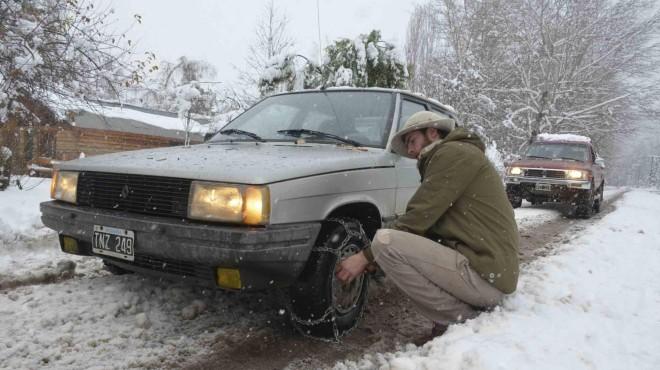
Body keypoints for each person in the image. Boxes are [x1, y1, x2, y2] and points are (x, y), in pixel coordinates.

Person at [336, 111, 520, 340]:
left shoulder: (453, 154)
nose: (411, 152)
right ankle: (463, 310)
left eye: (412, 141)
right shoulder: (460, 155)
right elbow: (428, 229)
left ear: (432, 133)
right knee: (387, 248)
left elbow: (419, 216)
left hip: (486, 276)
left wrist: (365, 256)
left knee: (385, 242)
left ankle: (460, 317)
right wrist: (377, 260)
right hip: (491, 274)